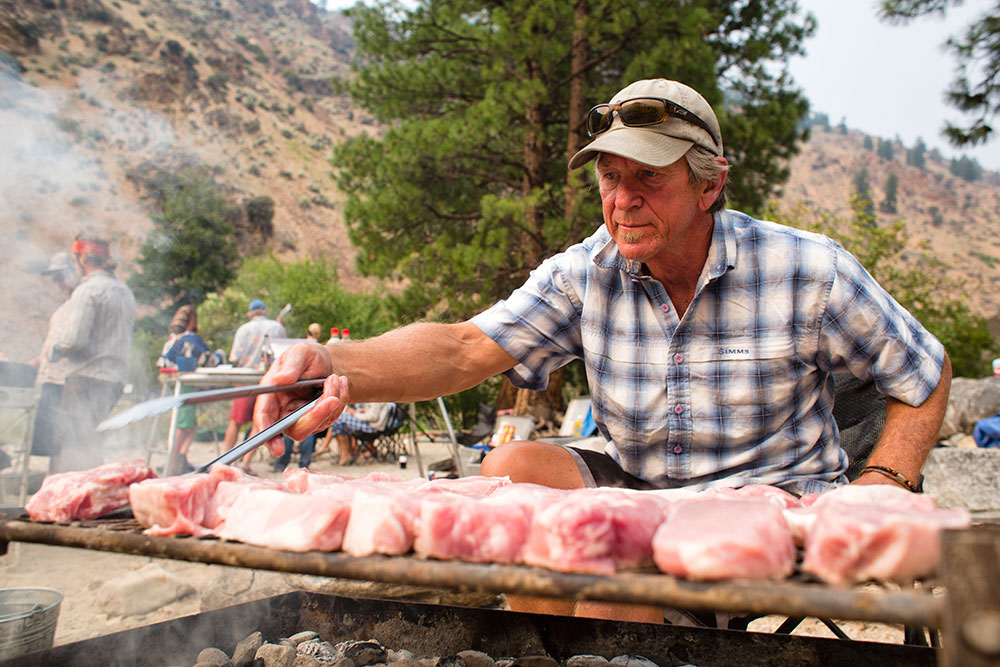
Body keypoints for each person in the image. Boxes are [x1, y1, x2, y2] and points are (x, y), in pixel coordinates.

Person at [255, 79, 951, 620]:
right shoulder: (585, 271)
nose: (623, 200)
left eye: (649, 176)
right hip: (641, 490)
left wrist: (885, 481)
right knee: (512, 465)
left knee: (613, 595)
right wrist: (330, 365)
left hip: (775, 502)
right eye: (610, 177)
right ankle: (546, 649)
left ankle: (612, 636)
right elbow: (464, 348)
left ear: (711, 183)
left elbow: (925, 369)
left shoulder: (808, 269)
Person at [49, 234, 136, 473]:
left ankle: (65, 504)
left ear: (79, 260)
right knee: (89, 442)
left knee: (73, 446)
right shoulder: (124, 291)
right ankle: (94, 499)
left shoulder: (87, 291)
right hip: (114, 378)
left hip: (86, 377)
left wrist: (57, 348)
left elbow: (75, 340)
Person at [223, 299, 286, 473]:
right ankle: (246, 463)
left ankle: (225, 461)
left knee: (236, 421)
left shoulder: (243, 329)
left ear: (250, 313)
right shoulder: (277, 327)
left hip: (245, 379)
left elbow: (234, 357)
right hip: (268, 379)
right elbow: (284, 353)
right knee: (259, 422)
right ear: (265, 310)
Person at [29, 252, 80, 462]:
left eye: (61, 276)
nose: (58, 282)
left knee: (65, 440)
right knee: (51, 443)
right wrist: (37, 362)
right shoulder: (64, 308)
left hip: (65, 381)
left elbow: (76, 342)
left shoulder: (81, 303)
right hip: (50, 380)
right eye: (55, 278)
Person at [158, 305, 211, 474]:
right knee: (183, 424)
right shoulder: (190, 339)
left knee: (188, 423)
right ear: (191, 320)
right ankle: (173, 462)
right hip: (185, 383)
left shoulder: (172, 338)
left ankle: (181, 457)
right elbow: (205, 359)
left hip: (170, 383)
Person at [325, 402, 395, 465]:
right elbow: (374, 412)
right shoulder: (378, 396)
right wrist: (362, 411)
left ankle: (344, 455)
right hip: (375, 426)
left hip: (373, 428)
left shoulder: (376, 397)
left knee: (339, 419)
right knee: (339, 423)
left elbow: (373, 417)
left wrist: (354, 414)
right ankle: (345, 455)